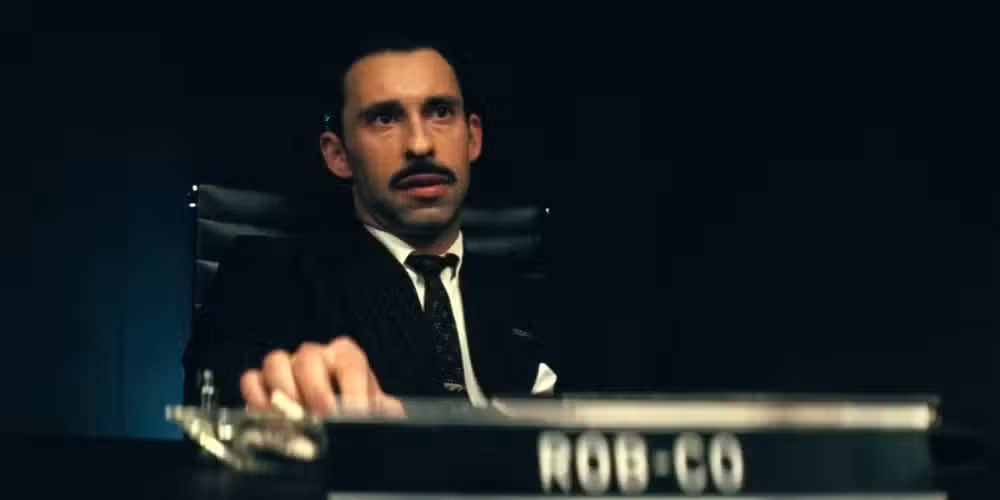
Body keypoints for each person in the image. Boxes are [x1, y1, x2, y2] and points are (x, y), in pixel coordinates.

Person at [182, 37, 560, 417]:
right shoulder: (269, 275)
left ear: (473, 138)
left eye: (441, 112)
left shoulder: (533, 294)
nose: (420, 144)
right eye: (385, 119)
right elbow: (219, 406)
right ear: (339, 155)